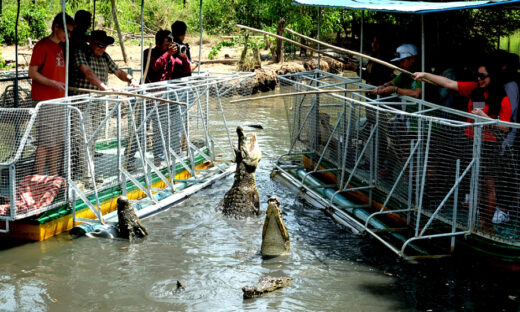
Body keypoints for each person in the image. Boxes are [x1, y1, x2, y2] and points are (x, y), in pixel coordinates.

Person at [414, 62, 512, 229]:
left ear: (492, 77)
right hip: (470, 141)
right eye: (477, 76)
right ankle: (479, 221)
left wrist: (484, 117)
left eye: (483, 76)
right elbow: (448, 83)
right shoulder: (474, 89)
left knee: (488, 184)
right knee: (476, 183)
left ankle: (486, 225)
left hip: (489, 145)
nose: (479, 79)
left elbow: (505, 127)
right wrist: (425, 75)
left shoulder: (502, 98)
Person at [69, 30, 139, 186]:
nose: (103, 49)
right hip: (81, 103)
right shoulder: (81, 52)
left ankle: (87, 174)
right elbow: (86, 72)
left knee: (92, 139)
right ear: (92, 42)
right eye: (100, 45)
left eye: (105, 46)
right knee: (83, 140)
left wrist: (131, 79)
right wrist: (103, 87)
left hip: (98, 104)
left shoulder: (105, 56)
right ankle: (87, 178)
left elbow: (118, 71)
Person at [28, 13, 74, 177]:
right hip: (45, 101)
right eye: (66, 31)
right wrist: (52, 83)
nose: (68, 36)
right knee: (45, 142)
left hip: (60, 100)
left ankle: (53, 177)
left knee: (57, 142)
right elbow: (32, 73)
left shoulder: (62, 47)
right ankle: (39, 178)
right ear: (56, 27)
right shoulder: (42, 46)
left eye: (70, 33)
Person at [126, 30, 178, 170]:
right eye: (167, 43)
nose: (169, 46)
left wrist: (183, 57)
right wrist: (168, 54)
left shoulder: (171, 57)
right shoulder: (148, 53)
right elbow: (154, 67)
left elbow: (177, 70)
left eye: (171, 44)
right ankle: (129, 160)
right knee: (138, 130)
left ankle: (158, 160)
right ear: (158, 42)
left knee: (160, 131)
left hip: (162, 101)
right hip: (146, 99)